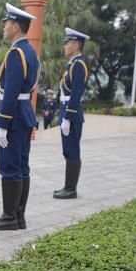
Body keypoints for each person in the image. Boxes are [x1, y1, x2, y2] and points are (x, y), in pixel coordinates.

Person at [0, 3, 39, 231]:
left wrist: (3, 124)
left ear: (16, 26)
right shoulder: (30, 52)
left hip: (14, 117)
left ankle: (9, 217)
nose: (4, 27)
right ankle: (19, 216)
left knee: (10, 166)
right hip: (24, 114)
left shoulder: (17, 53)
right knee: (22, 166)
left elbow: (11, 92)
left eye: (6, 23)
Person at [53, 27, 90, 200]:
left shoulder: (79, 65)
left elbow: (75, 94)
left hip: (72, 114)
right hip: (66, 111)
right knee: (67, 150)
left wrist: (68, 117)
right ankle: (67, 186)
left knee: (72, 150)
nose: (65, 46)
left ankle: (71, 189)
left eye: (68, 43)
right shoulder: (73, 64)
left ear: (76, 44)